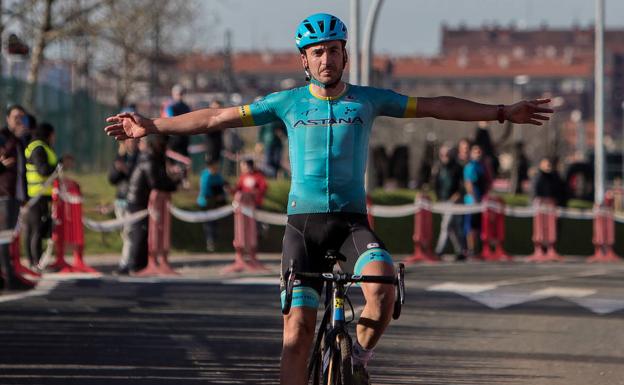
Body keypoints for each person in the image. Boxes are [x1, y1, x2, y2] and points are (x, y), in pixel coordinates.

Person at [105, 13, 553, 385]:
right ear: (305, 59)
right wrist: (155, 126)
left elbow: (436, 104)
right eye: (317, 52)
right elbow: (218, 117)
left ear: (345, 55)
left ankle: (356, 357)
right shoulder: (287, 103)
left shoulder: (368, 101)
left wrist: (499, 113)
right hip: (303, 228)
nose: (326, 58)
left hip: (352, 224)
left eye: (333, 50)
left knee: (381, 287)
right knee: (297, 334)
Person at [125, 135, 181, 276]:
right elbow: (155, 183)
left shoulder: (156, 158)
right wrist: (173, 185)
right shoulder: (149, 159)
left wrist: (173, 182)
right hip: (138, 201)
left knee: (146, 233)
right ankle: (136, 266)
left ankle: (144, 265)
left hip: (144, 201)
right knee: (140, 233)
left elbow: (161, 179)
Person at [0, 105, 34, 290]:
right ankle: (9, 278)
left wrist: (25, 195)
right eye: (16, 117)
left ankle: (9, 275)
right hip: (4, 194)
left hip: (16, 195)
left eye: (22, 117)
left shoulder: (20, 139)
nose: (19, 120)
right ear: (7, 119)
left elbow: (22, 170)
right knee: (3, 239)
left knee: (8, 238)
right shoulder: (5, 137)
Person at [24, 122, 58, 270]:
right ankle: (35, 262)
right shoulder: (38, 148)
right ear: (48, 134)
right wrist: (59, 165)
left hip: (40, 195)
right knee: (36, 229)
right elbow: (43, 170)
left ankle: (34, 262)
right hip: (37, 195)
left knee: (35, 230)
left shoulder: (39, 146)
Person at [108, 138, 139, 275]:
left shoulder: (140, 157)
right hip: (120, 200)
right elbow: (112, 179)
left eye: (133, 141)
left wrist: (126, 169)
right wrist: (118, 166)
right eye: (128, 141)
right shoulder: (121, 157)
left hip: (133, 201)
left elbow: (137, 177)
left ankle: (126, 263)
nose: (131, 143)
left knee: (129, 233)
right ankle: (131, 262)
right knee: (125, 234)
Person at [433, 143, 466, 261]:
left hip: (454, 201)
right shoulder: (438, 168)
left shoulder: (457, 167)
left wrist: (458, 194)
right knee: (453, 228)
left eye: (447, 154)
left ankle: (439, 250)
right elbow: (435, 184)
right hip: (443, 200)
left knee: (446, 225)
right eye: (442, 154)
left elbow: (462, 184)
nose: (444, 156)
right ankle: (461, 250)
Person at [463, 142, 488, 258]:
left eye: (479, 151)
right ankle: (471, 249)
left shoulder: (482, 166)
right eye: (475, 152)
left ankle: (477, 250)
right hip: (472, 202)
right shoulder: (470, 166)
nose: (478, 154)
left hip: (481, 202)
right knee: (471, 227)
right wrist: (475, 198)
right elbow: (469, 184)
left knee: (478, 227)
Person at [196, 157, 226, 252]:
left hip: (215, 203)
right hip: (206, 203)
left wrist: (221, 196)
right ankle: (209, 242)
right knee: (208, 224)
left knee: (215, 223)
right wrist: (215, 197)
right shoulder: (206, 176)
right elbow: (205, 191)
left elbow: (223, 186)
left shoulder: (218, 175)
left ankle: (214, 241)